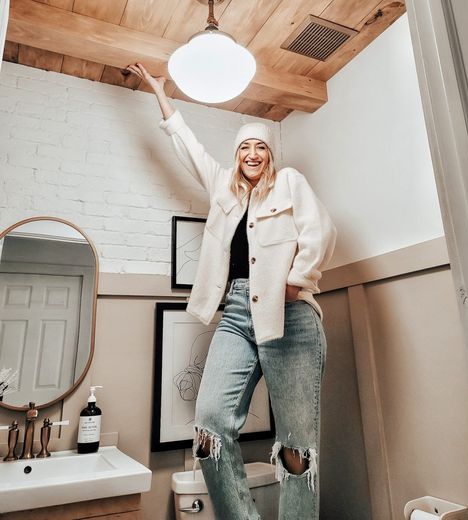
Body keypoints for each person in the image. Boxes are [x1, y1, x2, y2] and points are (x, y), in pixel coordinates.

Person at [128, 63, 337, 520]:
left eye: (261, 146)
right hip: (237, 314)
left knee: (296, 450)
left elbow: (322, 232)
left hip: (293, 318)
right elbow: (187, 145)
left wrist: (294, 282)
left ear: (270, 154)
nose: (253, 153)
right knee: (209, 429)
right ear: (237, 154)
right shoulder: (223, 189)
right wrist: (160, 93)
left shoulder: (290, 183)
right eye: (245, 146)